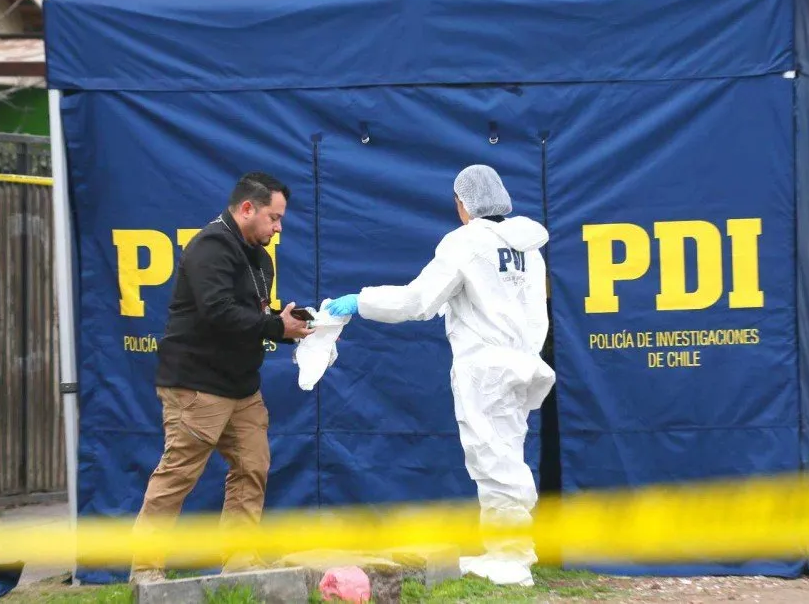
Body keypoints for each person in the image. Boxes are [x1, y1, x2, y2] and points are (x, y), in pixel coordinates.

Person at [324, 164, 555, 587]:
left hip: (485, 367)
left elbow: (417, 301)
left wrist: (362, 301)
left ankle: (511, 560)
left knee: (493, 460)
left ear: (463, 203)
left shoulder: (465, 243)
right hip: (523, 364)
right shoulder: (528, 248)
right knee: (507, 456)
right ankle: (513, 550)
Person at [130, 173, 313, 584]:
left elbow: (250, 320)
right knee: (178, 474)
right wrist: (274, 328)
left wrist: (290, 327)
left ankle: (241, 563)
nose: (279, 227)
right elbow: (218, 312)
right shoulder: (210, 246)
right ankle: (145, 571)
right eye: (274, 217)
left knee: (253, 467)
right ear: (247, 208)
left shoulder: (260, 258)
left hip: (242, 388)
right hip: (197, 386)